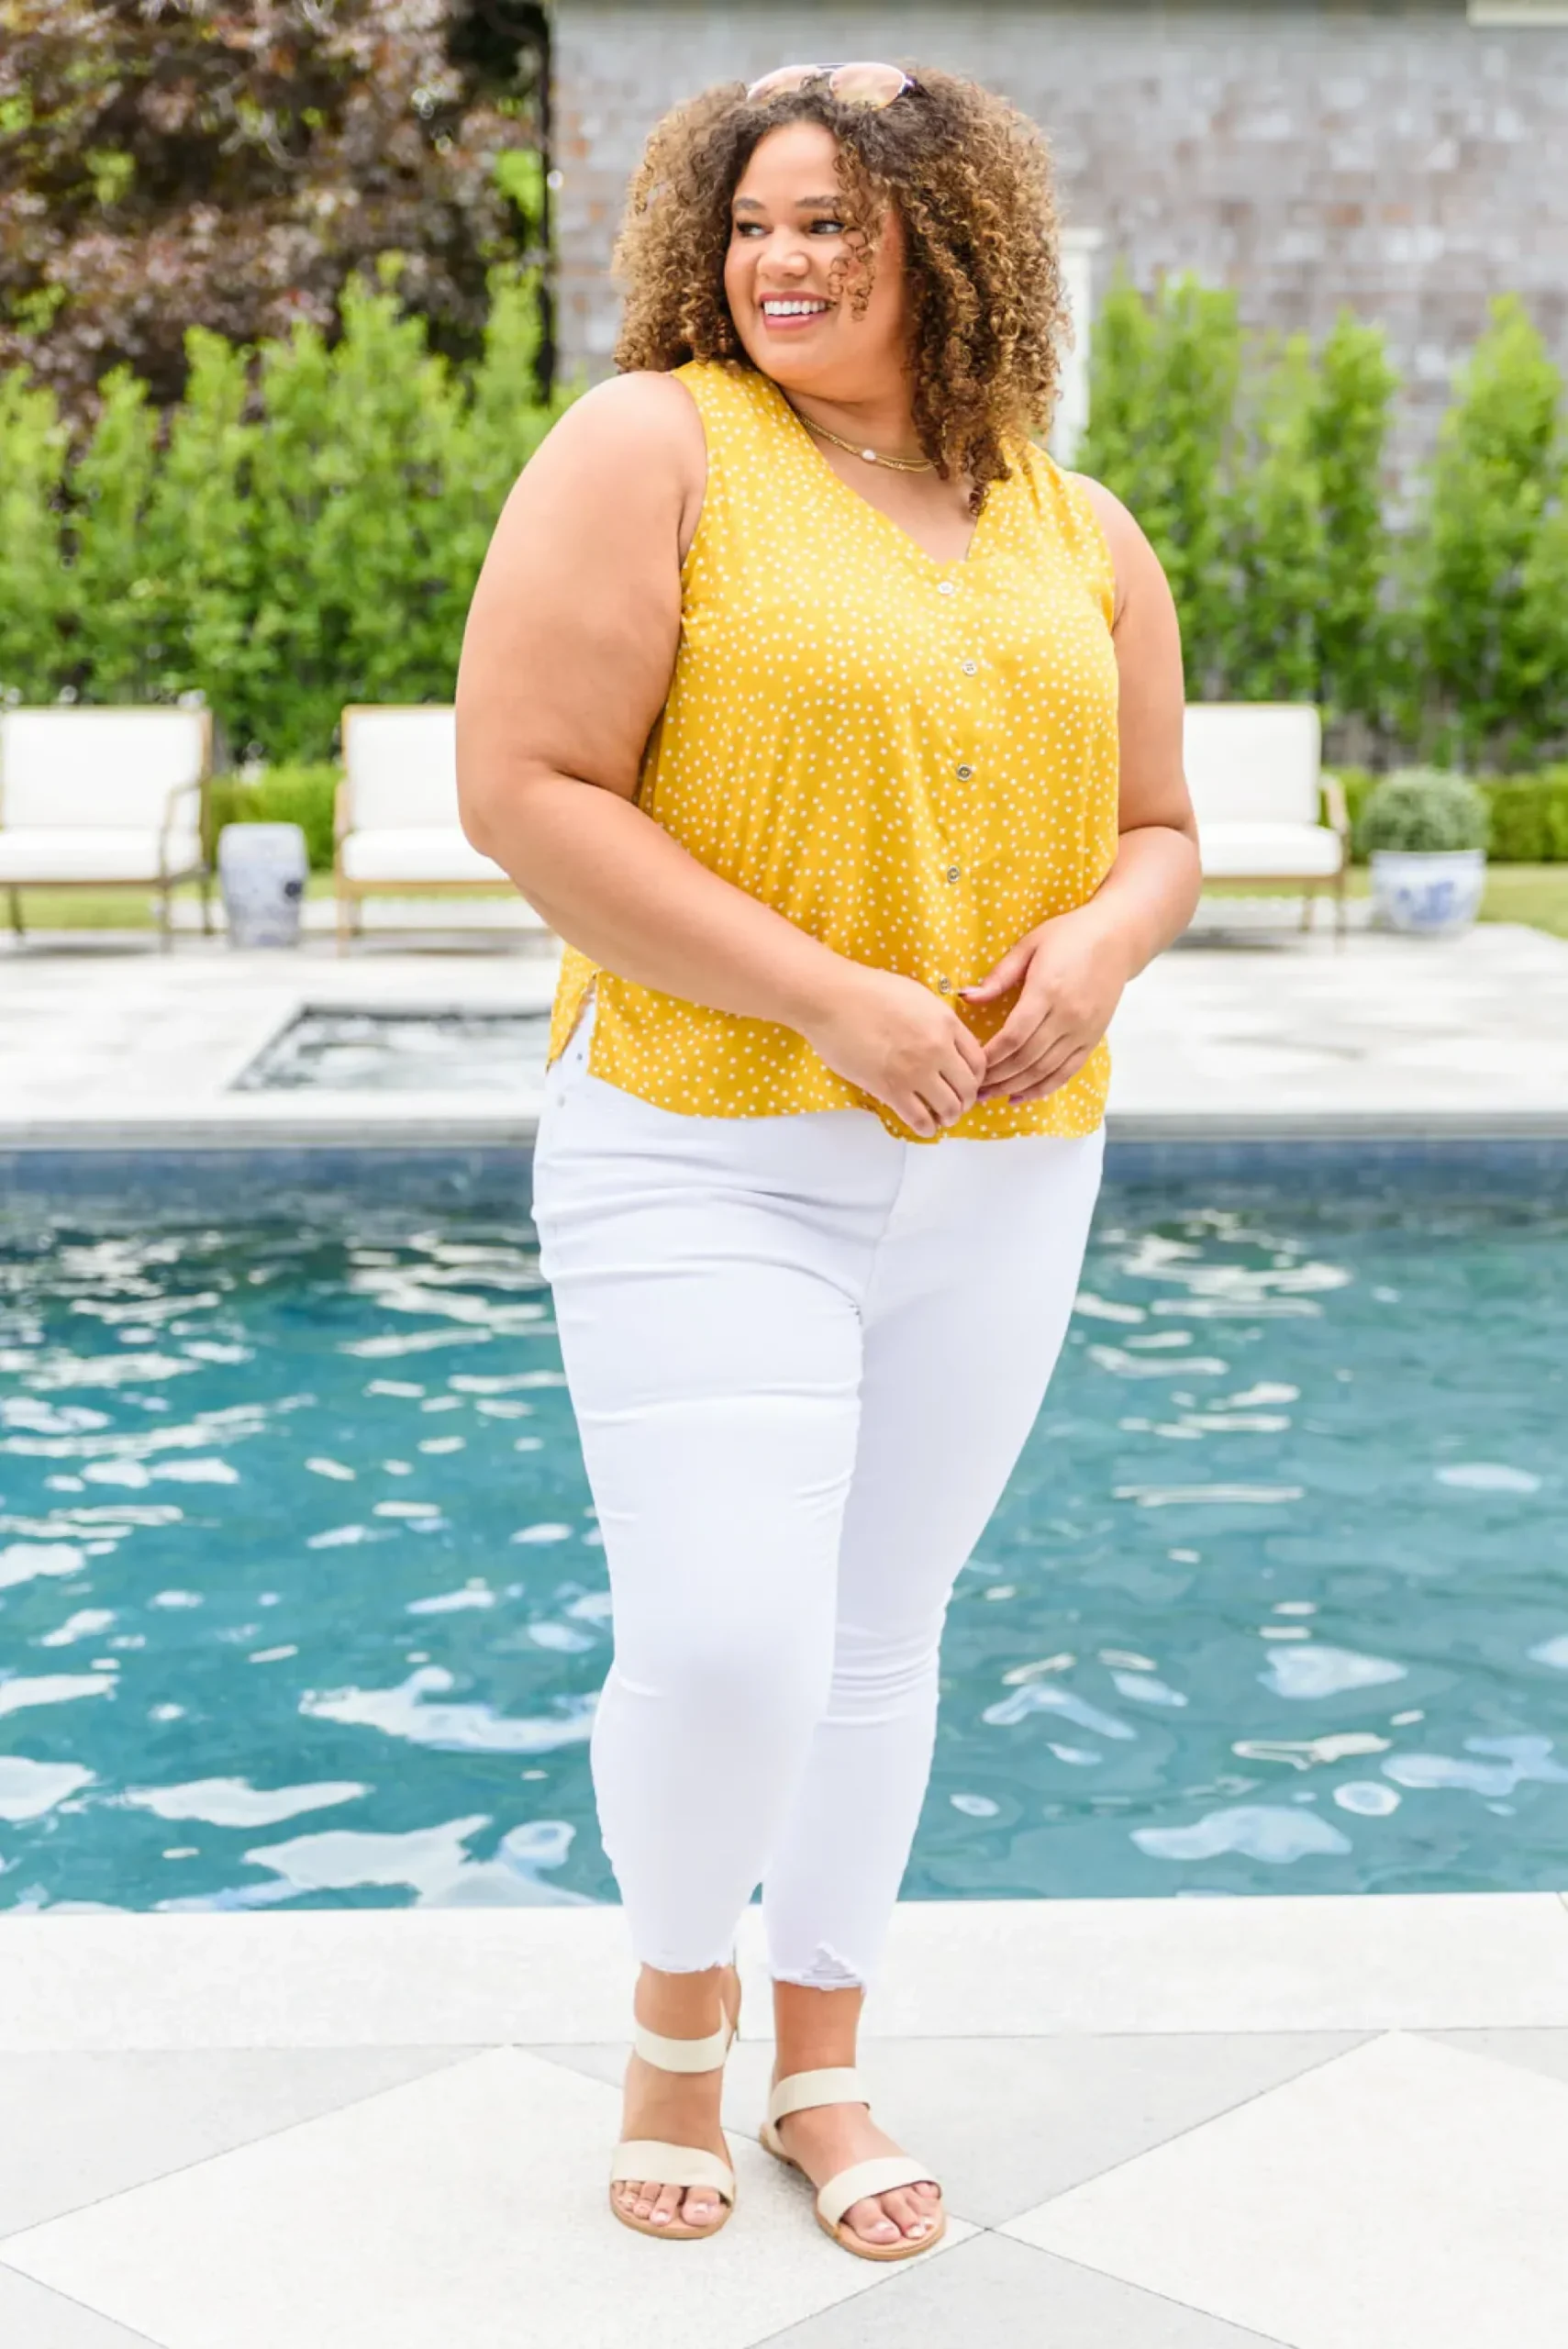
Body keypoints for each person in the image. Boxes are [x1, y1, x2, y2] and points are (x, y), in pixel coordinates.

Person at [456, 58, 1198, 2261]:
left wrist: (1102, 944)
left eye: (831, 225)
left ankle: (820, 2058)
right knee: (726, 1639)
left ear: (948, 247)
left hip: (1005, 1156)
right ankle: (672, 2023)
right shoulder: (652, 445)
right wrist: (825, 994)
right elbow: (525, 788)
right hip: (698, 1137)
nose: (777, 260)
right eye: (753, 221)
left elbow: (1158, 829)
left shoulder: (1078, 525)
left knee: (882, 1633)